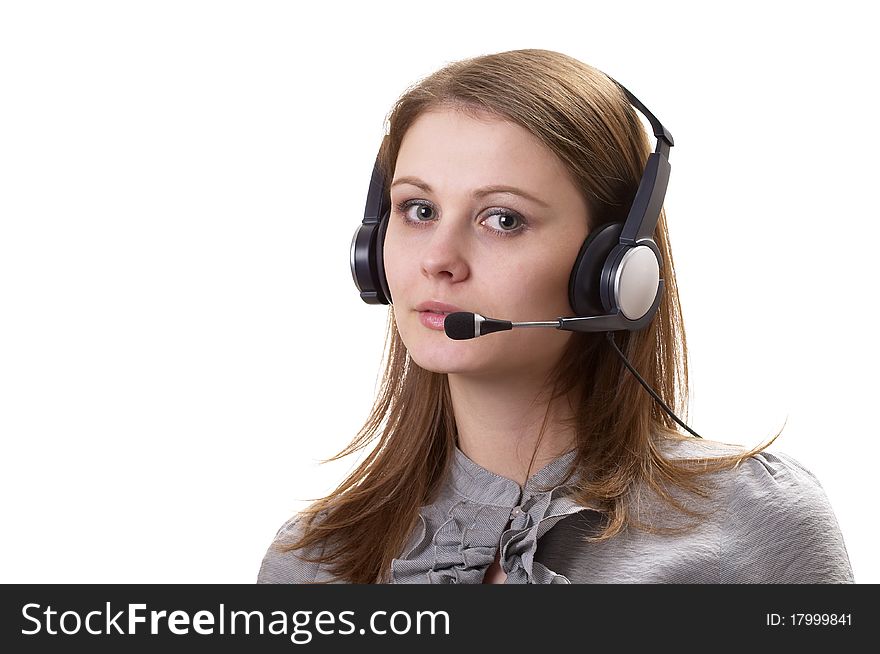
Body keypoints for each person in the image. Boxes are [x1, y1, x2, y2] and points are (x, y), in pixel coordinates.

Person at [257, 49, 854, 584]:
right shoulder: (313, 562)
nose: (438, 260)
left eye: (503, 219)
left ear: (613, 269)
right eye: (418, 209)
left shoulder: (754, 524)